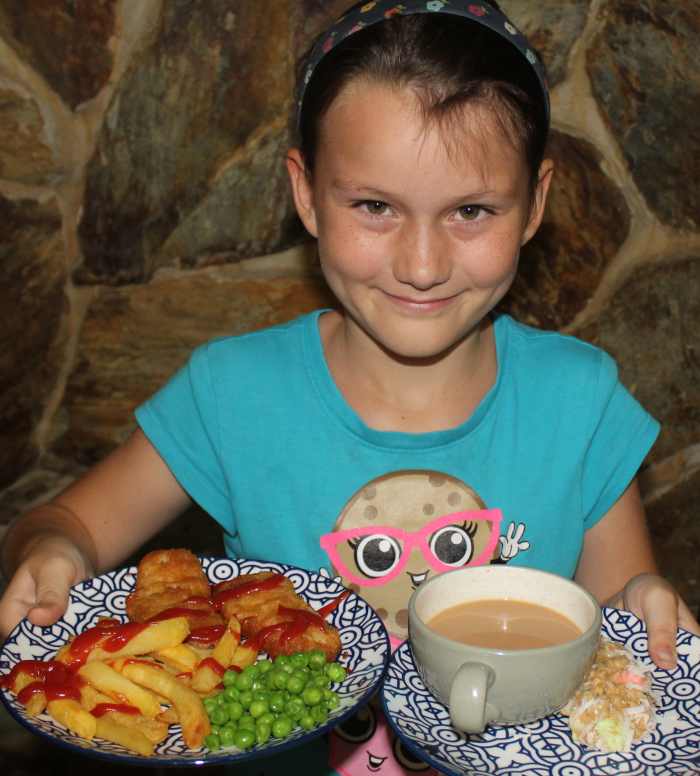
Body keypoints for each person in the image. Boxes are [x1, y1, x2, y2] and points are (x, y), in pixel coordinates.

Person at [1, 1, 697, 773]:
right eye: (374, 206)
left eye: (471, 210)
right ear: (305, 194)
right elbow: (63, 522)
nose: (422, 264)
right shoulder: (232, 394)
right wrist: (53, 550)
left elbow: (616, 628)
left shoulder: (582, 401)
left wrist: (643, 603)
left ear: (534, 203)